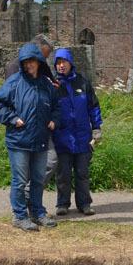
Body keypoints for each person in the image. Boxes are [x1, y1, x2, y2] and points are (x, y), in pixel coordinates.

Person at [0, 42, 61, 231]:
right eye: (25, 62)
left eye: (31, 62)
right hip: (19, 140)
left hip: (40, 139)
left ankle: (38, 213)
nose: (28, 65)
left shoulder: (46, 84)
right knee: (20, 180)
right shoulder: (14, 82)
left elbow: (56, 107)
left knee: (38, 179)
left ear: (39, 62)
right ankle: (19, 216)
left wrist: (54, 120)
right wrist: (12, 119)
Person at [51, 47, 102, 216]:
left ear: (70, 63)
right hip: (62, 137)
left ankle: (84, 204)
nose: (61, 66)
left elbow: (93, 106)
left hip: (82, 137)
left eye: (63, 62)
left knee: (82, 173)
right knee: (63, 175)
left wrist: (96, 128)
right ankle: (62, 204)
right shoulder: (53, 85)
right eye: (58, 63)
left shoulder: (83, 82)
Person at [5, 35, 59, 185]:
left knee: (50, 160)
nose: (43, 61)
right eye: (44, 56)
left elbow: (49, 89)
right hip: (23, 126)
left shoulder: (41, 67)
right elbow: (10, 98)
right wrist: (14, 119)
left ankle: (30, 196)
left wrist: (52, 88)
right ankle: (26, 204)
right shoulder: (15, 68)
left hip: (41, 123)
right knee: (25, 170)